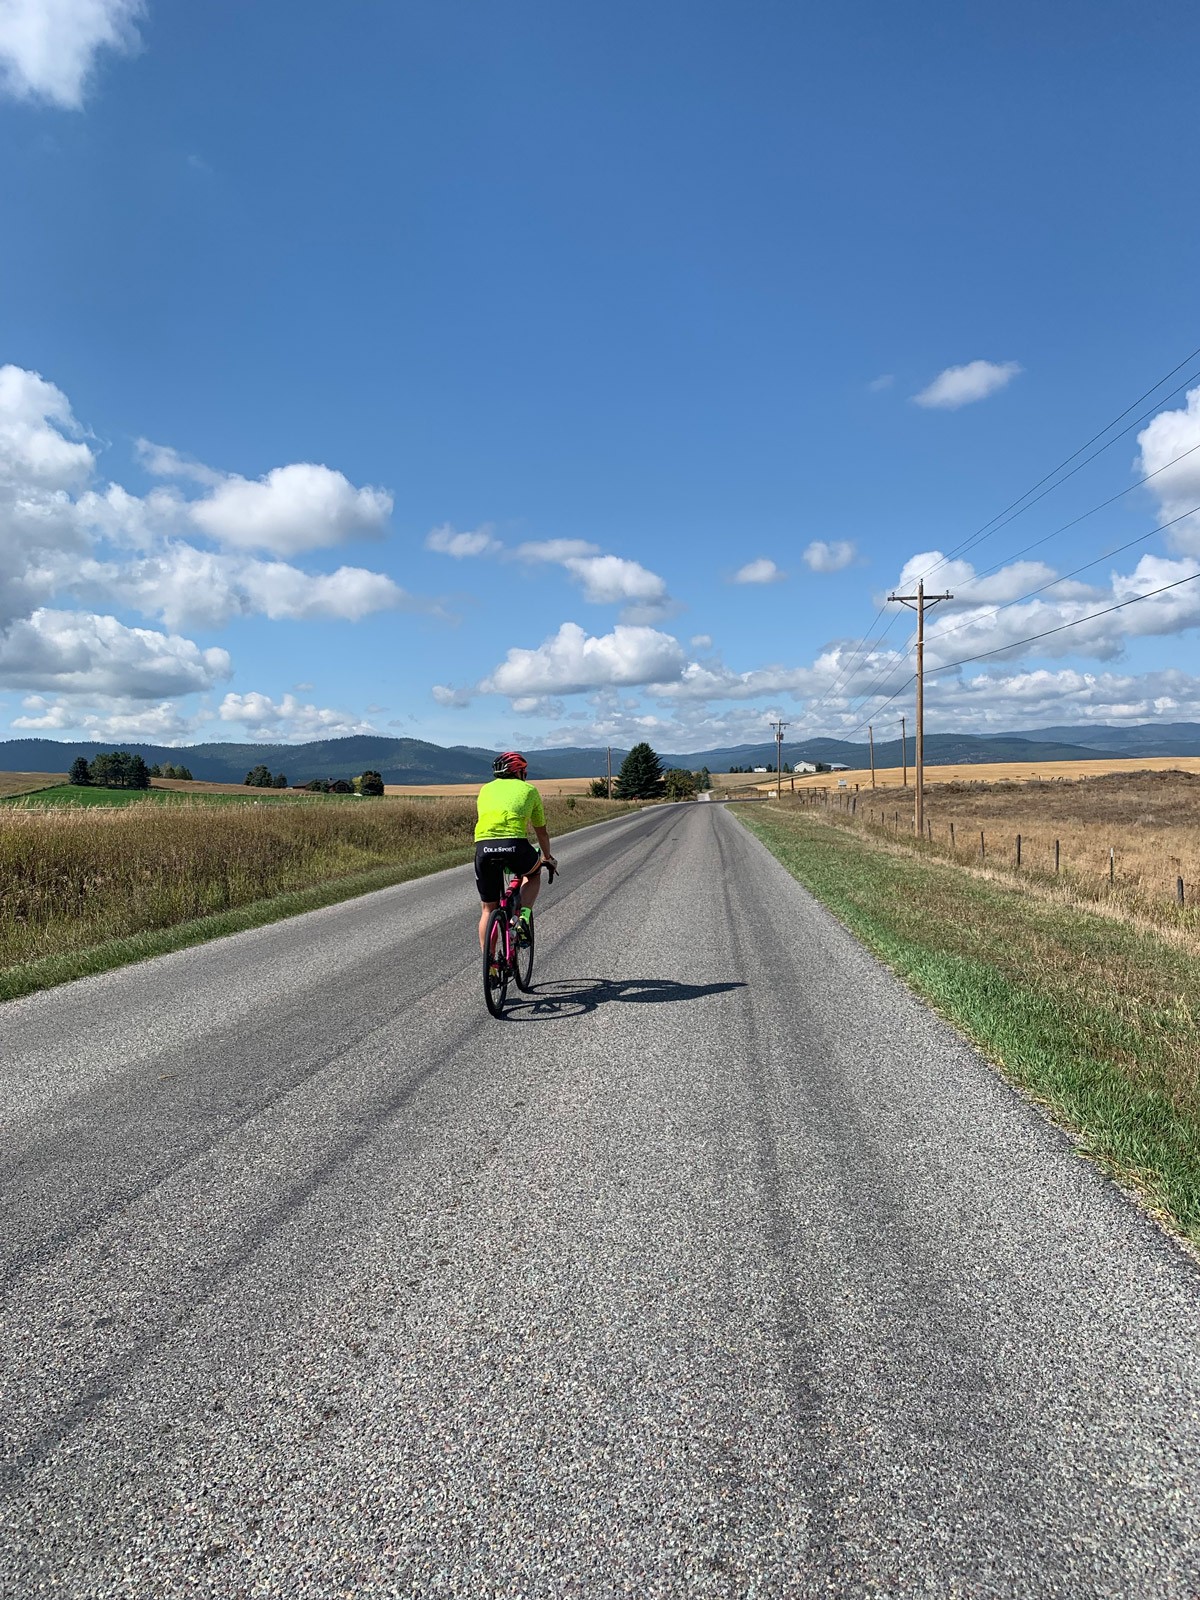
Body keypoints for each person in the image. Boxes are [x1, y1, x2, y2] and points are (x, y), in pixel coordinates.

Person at [474, 751, 557, 956]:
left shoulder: (485, 790)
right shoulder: (529, 790)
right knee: (533, 874)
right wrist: (547, 857)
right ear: (518, 772)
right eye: (524, 771)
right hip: (515, 845)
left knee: (488, 909)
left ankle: (490, 965)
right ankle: (522, 918)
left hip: (484, 848)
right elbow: (541, 831)